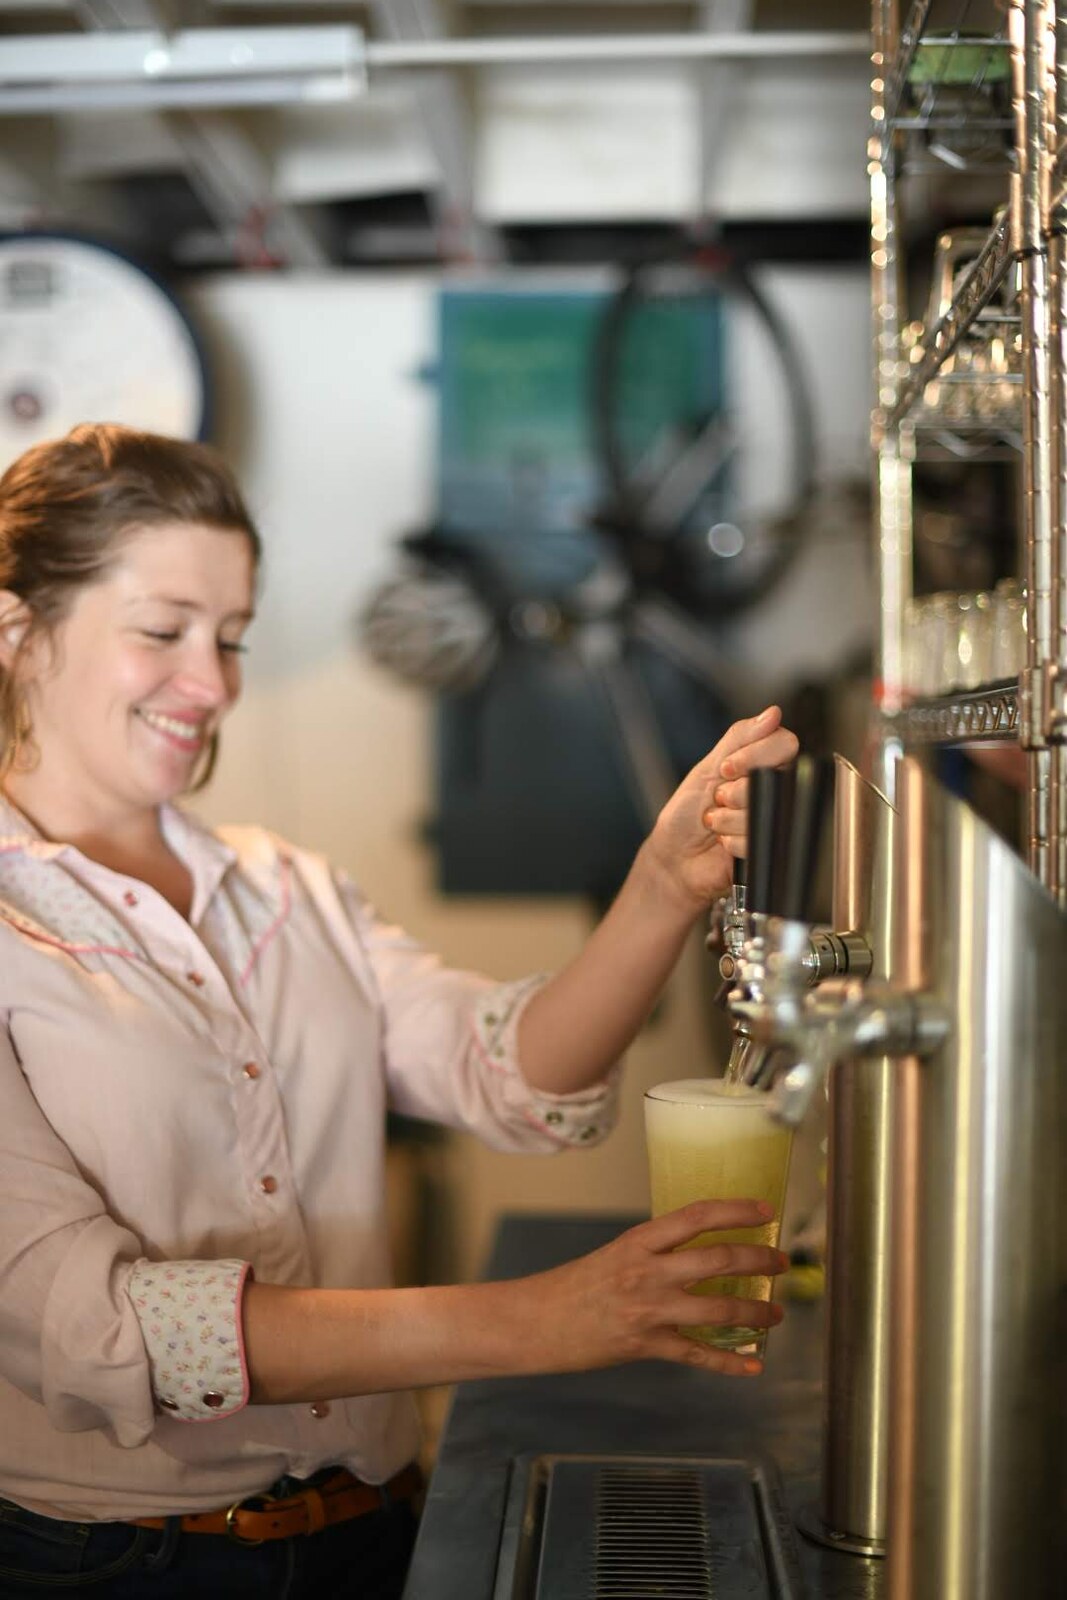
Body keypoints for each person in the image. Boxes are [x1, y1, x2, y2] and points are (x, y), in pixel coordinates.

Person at [0, 424, 799, 1599]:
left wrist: (661, 886)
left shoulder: (285, 890)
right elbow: (96, 1328)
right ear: (20, 632)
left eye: (230, 639)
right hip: (115, 1569)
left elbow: (508, 1069)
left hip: (374, 1534)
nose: (213, 685)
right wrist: (539, 1320)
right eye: (163, 632)